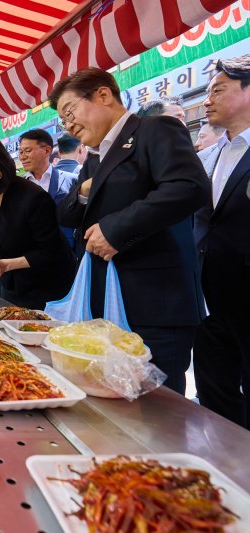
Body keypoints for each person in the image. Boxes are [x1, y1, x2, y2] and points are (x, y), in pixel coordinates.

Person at [50, 67, 210, 394]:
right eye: (63, 121)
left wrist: (115, 230)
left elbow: (188, 186)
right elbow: (66, 214)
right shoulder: (95, 158)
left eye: (70, 112)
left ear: (103, 95)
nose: (69, 125)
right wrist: (83, 192)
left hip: (154, 302)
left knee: (157, 407)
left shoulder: (155, 130)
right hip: (105, 300)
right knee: (111, 398)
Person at [192, 55, 250, 428]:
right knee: (214, 389)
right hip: (209, 295)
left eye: (218, 90)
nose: (208, 100)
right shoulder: (210, 156)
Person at [0, 134, 74, 309]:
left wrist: (5, 264)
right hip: (10, 283)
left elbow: (51, 252)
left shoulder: (33, 198)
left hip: (47, 287)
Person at [19, 129, 77, 249]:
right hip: (32, 254)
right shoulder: (18, 187)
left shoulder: (71, 180)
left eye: (27, 151)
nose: (22, 157)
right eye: (20, 152)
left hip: (66, 251)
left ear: (47, 151)